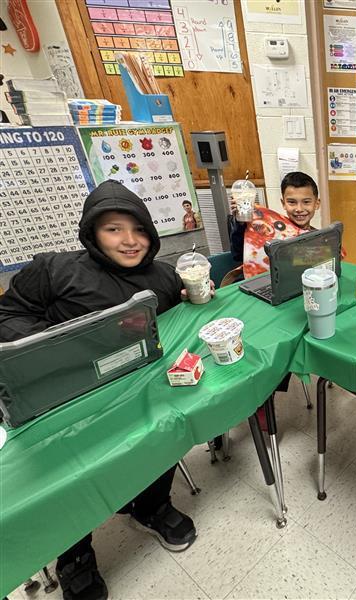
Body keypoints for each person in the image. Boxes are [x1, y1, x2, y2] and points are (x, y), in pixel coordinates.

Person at [0, 180, 198, 600]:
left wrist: (195, 297)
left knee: (159, 436)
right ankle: (74, 555)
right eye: (113, 229)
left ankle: (151, 506)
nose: (130, 241)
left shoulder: (162, 275)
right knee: (68, 475)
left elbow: (175, 325)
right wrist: (60, 343)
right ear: (92, 232)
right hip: (65, 400)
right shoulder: (54, 270)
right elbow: (7, 314)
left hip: (136, 390)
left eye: (138, 229)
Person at [228, 171, 321, 281]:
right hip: (262, 284)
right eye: (292, 202)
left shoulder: (319, 238)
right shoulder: (265, 227)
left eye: (306, 202)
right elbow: (237, 255)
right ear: (283, 203)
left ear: (317, 204)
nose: (299, 209)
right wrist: (241, 222)